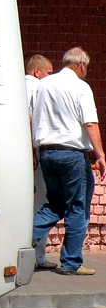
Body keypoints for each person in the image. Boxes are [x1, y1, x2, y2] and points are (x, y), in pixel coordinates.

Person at [31, 48, 106, 276]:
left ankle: (20, 238)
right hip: (72, 155)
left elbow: (33, 117)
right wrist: (101, 155)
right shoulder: (81, 87)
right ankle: (71, 262)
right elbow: (90, 124)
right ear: (81, 66)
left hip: (46, 153)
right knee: (77, 208)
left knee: (54, 205)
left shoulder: (43, 85)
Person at [24, 54, 56, 269]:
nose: (50, 77)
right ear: (37, 72)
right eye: (49, 73)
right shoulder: (37, 89)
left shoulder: (16, 86)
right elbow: (29, 120)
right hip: (35, 154)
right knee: (42, 202)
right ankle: (38, 255)